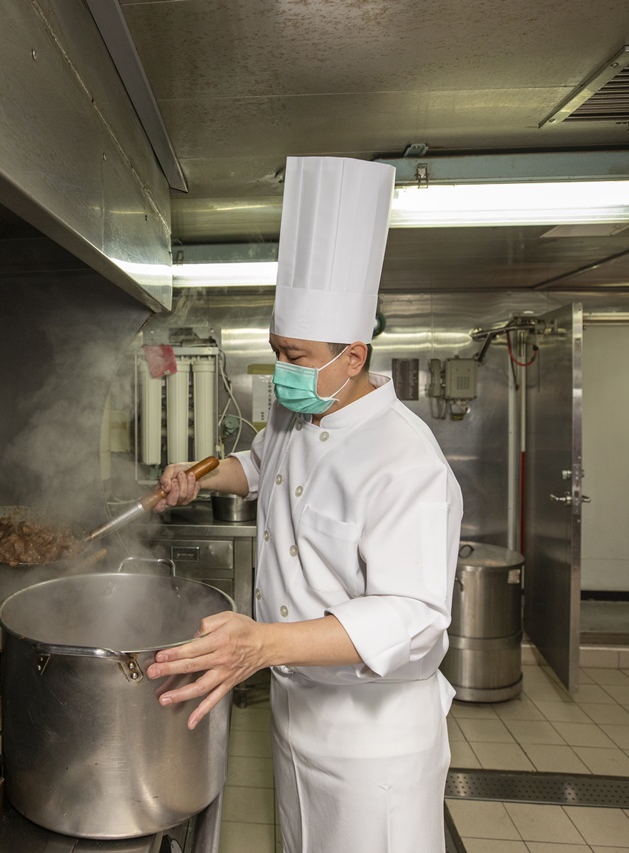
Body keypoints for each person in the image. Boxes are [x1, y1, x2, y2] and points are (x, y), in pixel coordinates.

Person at [145, 156, 463, 853]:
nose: (282, 370)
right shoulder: (295, 413)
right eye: (276, 351)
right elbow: (264, 467)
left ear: (354, 355)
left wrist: (261, 642)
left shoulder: (407, 460)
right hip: (296, 715)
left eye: (294, 354)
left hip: (372, 742)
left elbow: (414, 619)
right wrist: (204, 476)